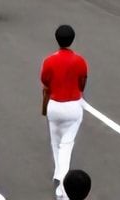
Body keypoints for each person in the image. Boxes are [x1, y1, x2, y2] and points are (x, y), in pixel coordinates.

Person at [40, 24, 88, 200]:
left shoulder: (49, 60)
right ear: (72, 39)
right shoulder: (80, 61)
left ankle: (58, 172)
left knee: (55, 142)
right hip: (73, 106)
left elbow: (45, 81)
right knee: (66, 146)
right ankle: (62, 187)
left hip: (54, 106)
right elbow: (82, 83)